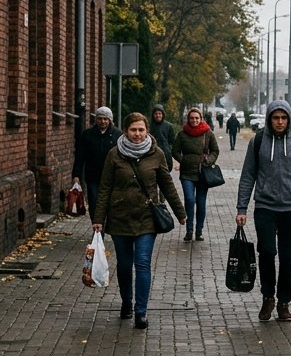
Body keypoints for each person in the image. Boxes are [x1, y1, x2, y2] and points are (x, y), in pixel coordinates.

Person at [91, 112, 186, 329]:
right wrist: (98, 218)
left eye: (141, 130)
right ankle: (127, 301)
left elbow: (167, 184)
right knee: (124, 265)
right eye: (133, 130)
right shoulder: (114, 154)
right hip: (120, 217)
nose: (137, 134)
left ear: (147, 131)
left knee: (142, 263)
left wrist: (180, 212)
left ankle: (141, 312)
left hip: (146, 217)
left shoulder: (156, 154)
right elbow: (105, 187)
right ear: (125, 131)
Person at [236, 100, 291, 323]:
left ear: (289, 119)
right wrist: (242, 208)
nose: (280, 122)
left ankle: (284, 302)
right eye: (276, 118)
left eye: (284, 118)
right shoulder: (258, 142)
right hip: (265, 207)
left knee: (287, 258)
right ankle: (268, 298)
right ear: (269, 119)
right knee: (266, 252)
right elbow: (247, 176)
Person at [171, 108, 219, 242]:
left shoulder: (208, 133)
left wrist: (208, 160)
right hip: (187, 173)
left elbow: (215, 151)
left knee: (201, 202)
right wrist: (183, 160)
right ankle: (189, 230)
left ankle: (199, 231)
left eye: (197, 118)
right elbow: (175, 151)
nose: (194, 120)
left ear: (201, 119)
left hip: (203, 173)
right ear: (188, 119)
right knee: (189, 199)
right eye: (192, 118)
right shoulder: (182, 134)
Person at [73, 106, 119, 217]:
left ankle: (107, 223)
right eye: (100, 118)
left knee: (110, 203)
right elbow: (80, 156)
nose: (102, 121)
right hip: (93, 175)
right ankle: (96, 224)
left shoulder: (118, 135)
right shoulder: (87, 134)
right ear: (96, 119)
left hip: (111, 176)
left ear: (110, 120)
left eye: (105, 119)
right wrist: (76, 175)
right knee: (94, 202)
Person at [148, 104, 175, 168]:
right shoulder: (148, 126)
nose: (158, 115)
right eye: (156, 114)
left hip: (166, 155)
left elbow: (172, 141)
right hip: (152, 154)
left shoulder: (169, 126)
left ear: (162, 114)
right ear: (153, 115)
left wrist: (169, 150)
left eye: (159, 113)